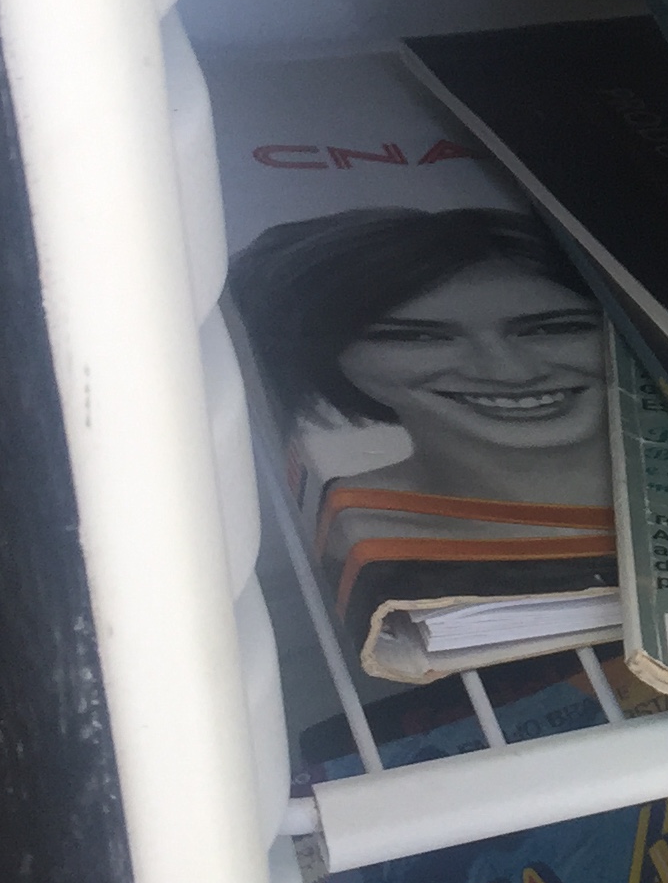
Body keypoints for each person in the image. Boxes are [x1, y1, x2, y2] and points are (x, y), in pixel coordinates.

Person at [227, 208, 612, 648]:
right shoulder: (349, 532)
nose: (510, 373)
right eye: (418, 337)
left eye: (552, 329)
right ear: (332, 357)